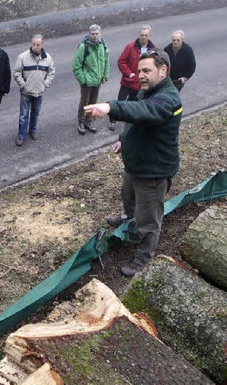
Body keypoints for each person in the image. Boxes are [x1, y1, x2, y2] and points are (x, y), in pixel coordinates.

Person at [84, 49, 182, 277]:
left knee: (149, 220)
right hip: (136, 164)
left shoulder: (167, 99)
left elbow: (146, 112)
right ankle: (129, 219)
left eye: (146, 70)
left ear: (163, 70)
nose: (140, 75)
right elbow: (135, 120)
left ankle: (143, 259)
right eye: (139, 71)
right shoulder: (146, 91)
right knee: (128, 197)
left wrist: (111, 106)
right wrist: (122, 140)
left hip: (153, 171)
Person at [109, 25, 156, 131]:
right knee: (120, 101)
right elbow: (121, 61)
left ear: (149, 36)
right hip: (127, 82)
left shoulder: (153, 49)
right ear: (139, 35)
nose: (143, 37)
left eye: (146, 35)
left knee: (133, 103)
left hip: (140, 83)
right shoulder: (130, 47)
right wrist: (129, 73)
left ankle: (128, 121)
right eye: (142, 35)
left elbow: (154, 65)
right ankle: (113, 120)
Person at [13, 34, 55, 146]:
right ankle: (21, 135)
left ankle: (33, 131)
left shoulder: (48, 58)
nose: (35, 47)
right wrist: (23, 84)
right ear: (31, 44)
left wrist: (45, 84)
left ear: (42, 45)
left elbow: (51, 72)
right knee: (23, 114)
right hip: (26, 92)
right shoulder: (23, 57)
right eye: (34, 44)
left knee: (35, 113)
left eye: (38, 44)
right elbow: (17, 72)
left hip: (39, 92)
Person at [72, 24, 110, 135]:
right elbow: (76, 66)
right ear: (89, 34)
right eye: (92, 34)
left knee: (93, 102)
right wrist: (83, 80)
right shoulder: (83, 47)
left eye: (97, 34)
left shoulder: (103, 44)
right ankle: (81, 122)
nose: (94, 36)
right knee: (84, 101)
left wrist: (104, 75)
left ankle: (89, 121)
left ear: (100, 34)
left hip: (97, 80)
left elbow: (106, 61)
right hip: (87, 81)